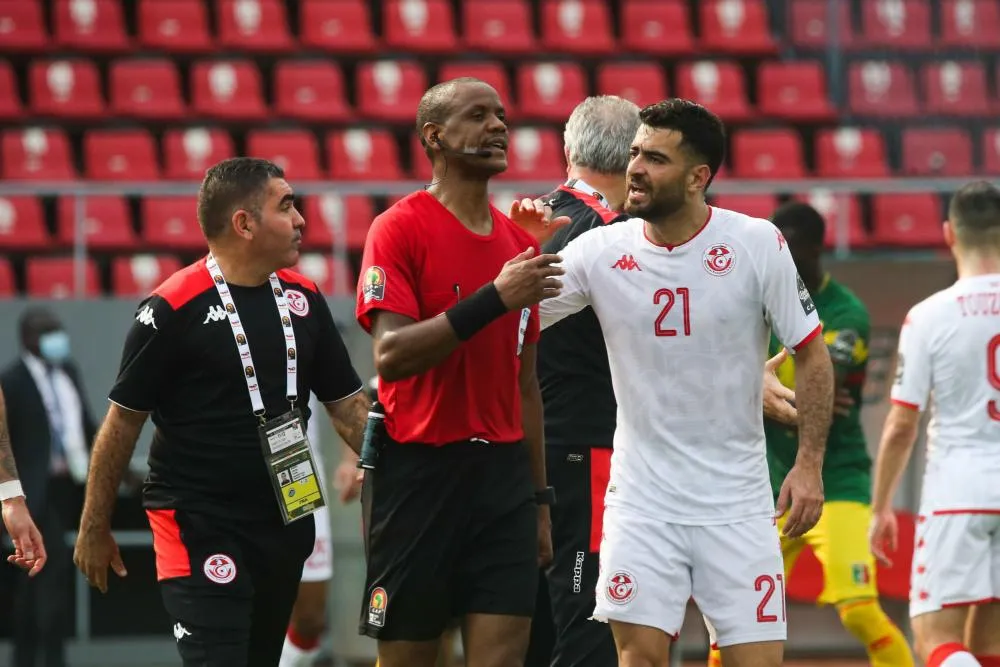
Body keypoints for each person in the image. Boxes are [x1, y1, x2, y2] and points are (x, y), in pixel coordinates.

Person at [533, 99, 833, 667]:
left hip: (738, 502)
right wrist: (521, 252)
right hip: (641, 502)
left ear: (699, 177)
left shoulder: (756, 243)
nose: (636, 169)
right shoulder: (598, 250)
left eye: (656, 158)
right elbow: (512, 322)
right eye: (634, 153)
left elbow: (812, 354)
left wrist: (809, 462)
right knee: (637, 659)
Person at [73, 157, 370, 667]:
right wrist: (93, 527)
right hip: (198, 524)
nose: (302, 219)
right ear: (244, 223)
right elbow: (122, 424)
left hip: (285, 518)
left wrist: (408, 468)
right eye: (287, 205)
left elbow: (347, 409)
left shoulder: (306, 298)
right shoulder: (170, 309)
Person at [354, 77, 561, 667]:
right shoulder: (396, 228)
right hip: (418, 475)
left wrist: (540, 502)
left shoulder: (520, 245)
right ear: (435, 137)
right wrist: (494, 298)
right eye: (479, 115)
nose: (498, 125)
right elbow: (390, 355)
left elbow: (526, 385)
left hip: (502, 482)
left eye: (501, 114)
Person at [704, 202, 913, 667]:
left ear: (816, 248)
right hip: (768, 483)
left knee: (860, 611)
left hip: (836, 480)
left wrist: (766, 394)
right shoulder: (759, 303)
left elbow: (821, 390)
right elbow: (803, 396)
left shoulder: (845, 311)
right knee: (734, 616)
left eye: (789, 246)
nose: (777, 254)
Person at [870, 181, 1000, 667]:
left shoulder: (929, 316)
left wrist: (881, 506)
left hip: (958, 495)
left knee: (935, 641)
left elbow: (902, 425)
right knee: (989, 644)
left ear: (949, 234)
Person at [2, 307, 110, 667]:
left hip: (71, 489)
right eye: (48, 332)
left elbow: (87, 426)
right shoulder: (12, 382)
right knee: (44, 580)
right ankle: (42, 658)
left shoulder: (68, 372)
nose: (56, 338)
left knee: (44, 585)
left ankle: (37, 657)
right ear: (27, 338)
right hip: (33, 496)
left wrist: (116, 469)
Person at [279, 393, 364, 667]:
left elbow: (340, 385)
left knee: (310, 619)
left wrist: (351, 457)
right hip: (226, 469)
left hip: (294, 463)